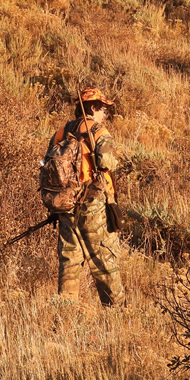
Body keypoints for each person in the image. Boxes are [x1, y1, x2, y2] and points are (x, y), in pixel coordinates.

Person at [46, 87, 124, 306]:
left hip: (65, 204)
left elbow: (48, 169)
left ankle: (66, 309)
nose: (105, 114)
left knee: (69, 260)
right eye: (103, 109)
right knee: (104, 260)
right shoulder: (99, 131)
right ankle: (116, 314)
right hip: (93, 204)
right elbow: (106, 163)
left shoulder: (60, 133)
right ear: (92, 108)